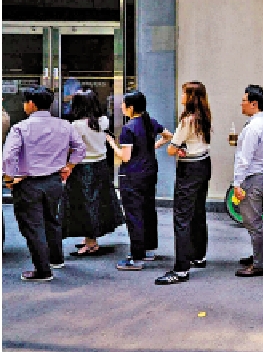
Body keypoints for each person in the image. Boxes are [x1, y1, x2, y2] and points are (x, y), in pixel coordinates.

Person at [2, 86, 86, 281]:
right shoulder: (65, 125)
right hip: (54, 181)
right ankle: (56, 259)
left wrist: (8, 179)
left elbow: (8, 157)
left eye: (25, 102)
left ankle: (43, 270)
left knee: (33, 226)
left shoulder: (20, 128)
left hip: (27, 183)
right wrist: (69, 166)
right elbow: (80, 148)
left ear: (31, 104)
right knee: (52, 220)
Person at [106, 90, 171, 271]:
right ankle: (148, 249)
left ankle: (136, 257)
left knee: (134, 214)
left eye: (123, 104)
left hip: (132, 175)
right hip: (149, 172)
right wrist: (152, 146)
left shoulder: (128, 129)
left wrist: (112, 143)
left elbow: (125, 157)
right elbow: (168, 136)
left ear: (131, 107)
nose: (121, 106)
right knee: (148, 210)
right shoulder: (150, 122)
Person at [155, 81, 213, 285]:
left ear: (190, 97)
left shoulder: (187, 120)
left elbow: (172, 149)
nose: (181, 97)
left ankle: (181, 268)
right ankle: (198, 255)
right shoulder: (204, 116)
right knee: (198, 212)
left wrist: (174, 147)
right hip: (204, 163)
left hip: (189, 169)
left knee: (182, 216)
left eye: (184, 93)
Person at [64, 90, 124, 257]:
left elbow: (72, 148)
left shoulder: (77, 125)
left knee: (85, 205)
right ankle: (89, 238)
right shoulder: (103, 121)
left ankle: (91, 243)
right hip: (101, 166)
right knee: (98, 203)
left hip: (83, 168)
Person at [231, 84, 263, 277]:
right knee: (255, 220)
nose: (241, 104)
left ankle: (259, 264)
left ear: (253, 103)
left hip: (253, 177)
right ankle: (258, 256)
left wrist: (237, 183)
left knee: (252, 221)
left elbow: (244, 159)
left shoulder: (253, 127)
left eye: (243, 100)